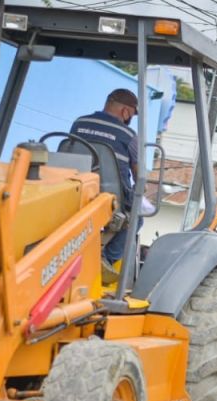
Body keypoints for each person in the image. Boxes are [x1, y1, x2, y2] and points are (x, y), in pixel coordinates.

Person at [69, 89, 141, 269]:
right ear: (126, 111)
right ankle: (106, 259)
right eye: (132, 114)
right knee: (137, 217)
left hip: (75, 192)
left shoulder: (79, 123)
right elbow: (139, 174)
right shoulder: (129, 135)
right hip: (111, 198)